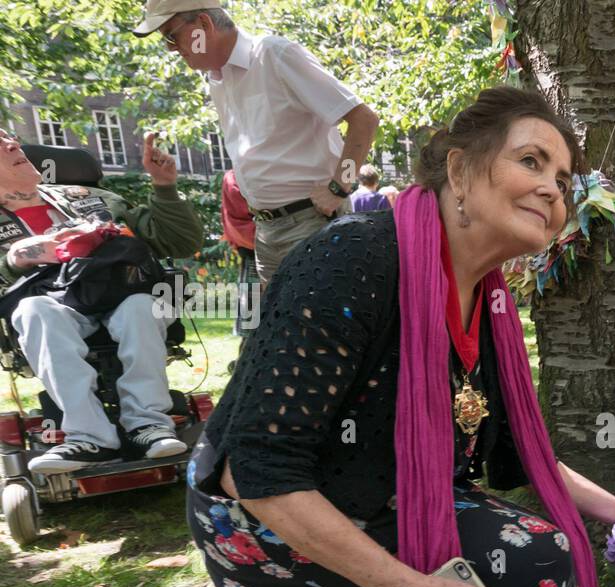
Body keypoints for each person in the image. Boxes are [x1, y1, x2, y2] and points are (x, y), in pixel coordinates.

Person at [185, 87, 615, 587]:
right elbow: (256, 472)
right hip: (269, 517)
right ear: (459, 172)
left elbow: (517, 456)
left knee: (538, 549)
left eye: (565, 176)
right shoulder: (353, 260)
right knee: (498, 564)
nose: (556, 188)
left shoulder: (485, 302)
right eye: (532, 161)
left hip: (383, 499)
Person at [0, 127, 202, 473]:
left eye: (9, 137)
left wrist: (165, 187)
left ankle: (149, 425)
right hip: (51, 305)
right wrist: (15, 260)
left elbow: (177, 242)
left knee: (141, 306)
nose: (12, 143)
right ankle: (89, 436)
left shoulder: (88, 197)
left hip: (121, 292)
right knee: (36, 310)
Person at [134, 1, 380, 283]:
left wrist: (340, 185)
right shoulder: (217, 79)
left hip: (311, 222)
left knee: (319, 325)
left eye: (170, 36)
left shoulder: (274, 54)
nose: (170, 48)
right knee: (275, 327)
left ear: (204, 24)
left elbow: (364, 120)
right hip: (264, 232)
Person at [219, 169, 258, 340]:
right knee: (252, 333)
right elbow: (238, 229)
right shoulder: (235, 177)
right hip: (254, 257)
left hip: (263, 253)